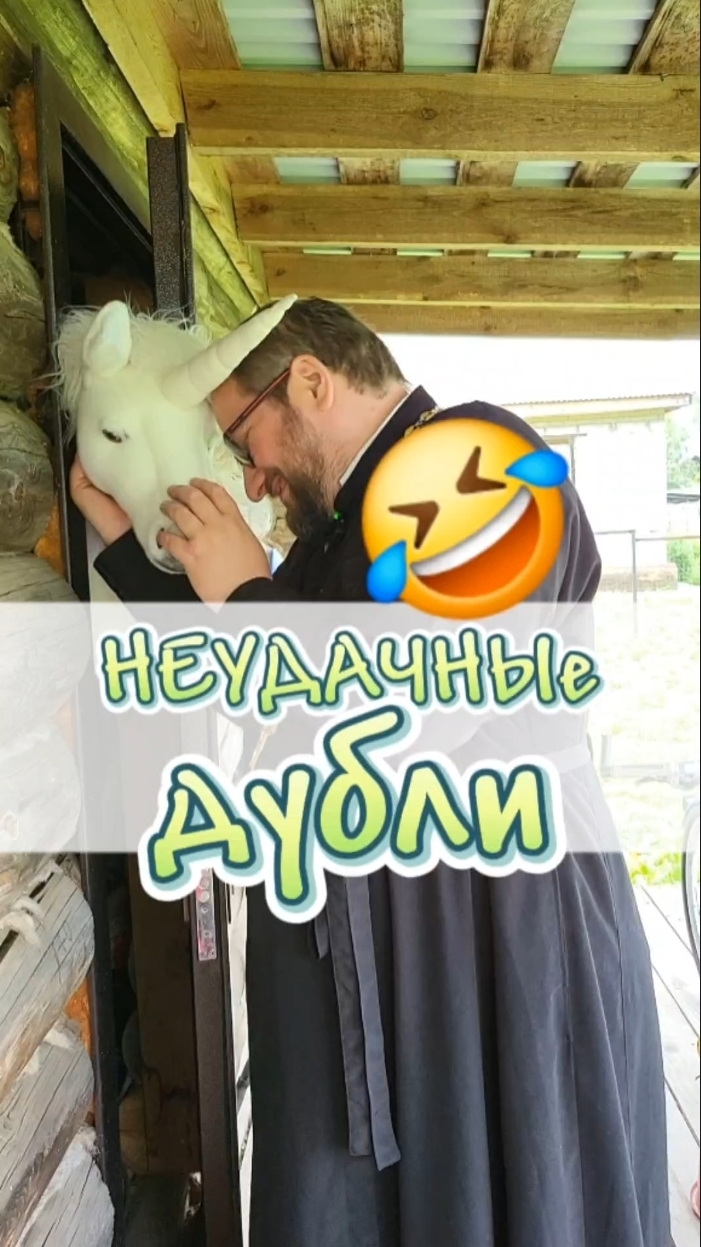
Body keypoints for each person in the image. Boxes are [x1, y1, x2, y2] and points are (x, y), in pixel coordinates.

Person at [71, 297, 671, 1247]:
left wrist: (248, 593)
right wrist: (123, 546)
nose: (250, 476)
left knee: (509, 1188)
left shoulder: (478, 460)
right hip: (378, 958)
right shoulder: (331, 538)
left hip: (496, 930)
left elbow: (417, 698)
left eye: (246, 438)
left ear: (310, 380)